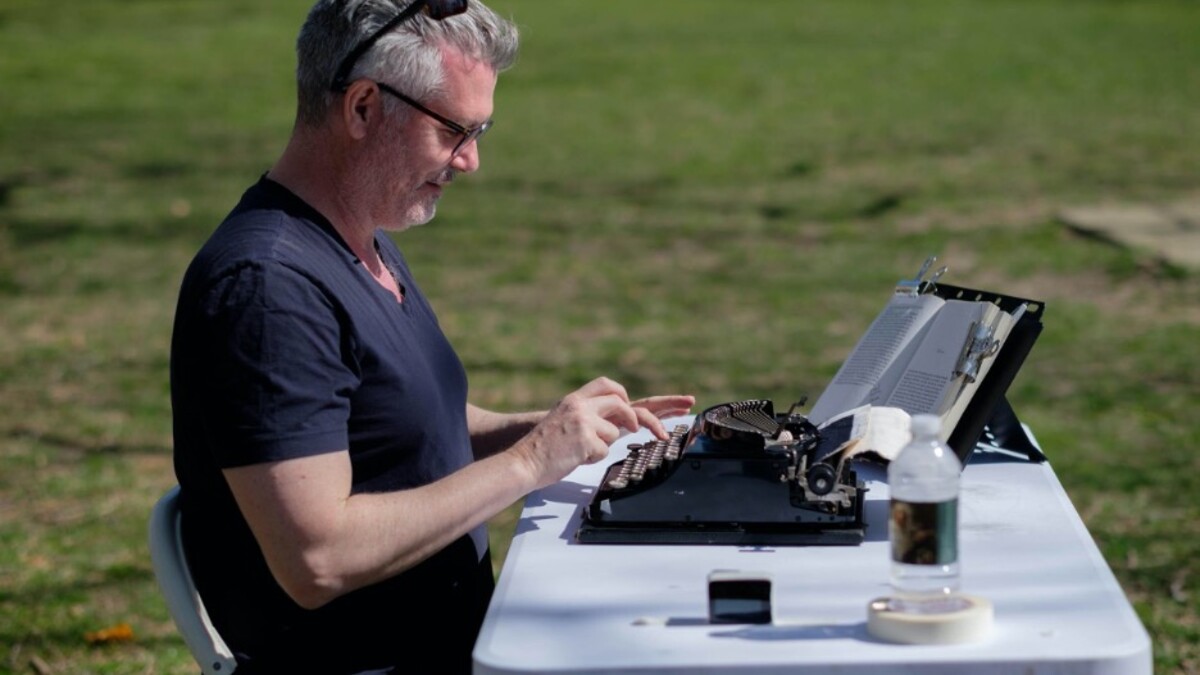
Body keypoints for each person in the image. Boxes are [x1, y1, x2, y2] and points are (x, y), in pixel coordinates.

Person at [168, 1, 695, 672]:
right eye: (455, 130)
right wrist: (530, 461)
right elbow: (316, 559)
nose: (471, 160)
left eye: (481, 130)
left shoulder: (361, 242)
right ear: (362, 108)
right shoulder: (268, 287)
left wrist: (572, 432)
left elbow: (406, 426)